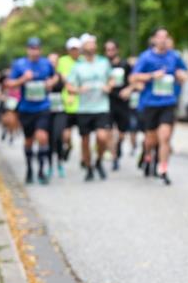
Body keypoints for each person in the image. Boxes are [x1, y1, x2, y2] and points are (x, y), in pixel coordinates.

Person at [131, 28, 188, 185]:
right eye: (160, 37)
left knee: (165, 137)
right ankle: (146, 154)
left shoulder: (174, 56)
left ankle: (163, 169)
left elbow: (185, 73)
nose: (163, 40)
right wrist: (151, 76)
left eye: (165, 37)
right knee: (151, 139)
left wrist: (181, 75)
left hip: (168, 103)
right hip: (150, 103)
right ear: (154, 39)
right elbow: (133, 77)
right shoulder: (146, 57)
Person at [5, 37, 58, 185]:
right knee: (28, 141)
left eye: (37, 48)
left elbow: (55, 77)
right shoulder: (19, 64)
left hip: (43, 107)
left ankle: (41, 170)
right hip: (26, 108)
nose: (34, 51)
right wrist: (23, 79)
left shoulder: (46, 63)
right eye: (32, 48)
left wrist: (50, 83)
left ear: (40, 50)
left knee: (42, 137)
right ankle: (29, 169)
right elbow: (9, 83)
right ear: (27, 49)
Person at [67, 33, 113, 182]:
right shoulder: (78, 66)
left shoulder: (103, 62)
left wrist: (109, 86)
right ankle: (88, 167)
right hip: (84, 109)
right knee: (85, 141)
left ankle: (99, 160)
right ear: (83, 47)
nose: (91, 46)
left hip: (101, 107)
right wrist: (79, 90)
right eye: (88, 44)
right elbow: (69, 87)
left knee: (102, 137)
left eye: (93, 43)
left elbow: (112, 79)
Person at [105, 39, 134, 171]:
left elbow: (133, 80)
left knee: (122, 132)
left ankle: (119, 146)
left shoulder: (125, 65)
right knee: (109, 131)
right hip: (108, 101)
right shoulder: (103, 65)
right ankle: (115, 157)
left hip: (122, 102)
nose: (110, 52)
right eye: (107, 49)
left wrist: (128, 90)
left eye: (112, 49)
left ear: (117, 50)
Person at [55, 37, 82, 166]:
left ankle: (85, 158)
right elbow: (66, 79)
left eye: (77, 49)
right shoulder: (63, 61)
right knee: (66, 134)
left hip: (83, 103)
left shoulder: (83, 61)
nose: (75, 52)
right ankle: (69, 146)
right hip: (68, 101)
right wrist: (71, 92)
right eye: (72, 49)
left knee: (84, 135)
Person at [45, 53, 68, 179]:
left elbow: (70, 88)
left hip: (60, 109)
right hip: (46, 111)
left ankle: (60, 162)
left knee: (58, 135)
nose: (52, 64)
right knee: (49, 138)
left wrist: (70, 96)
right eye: (50, 61)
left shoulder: (61, 76)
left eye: (55, 61)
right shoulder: (43, 76)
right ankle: (49, 165)